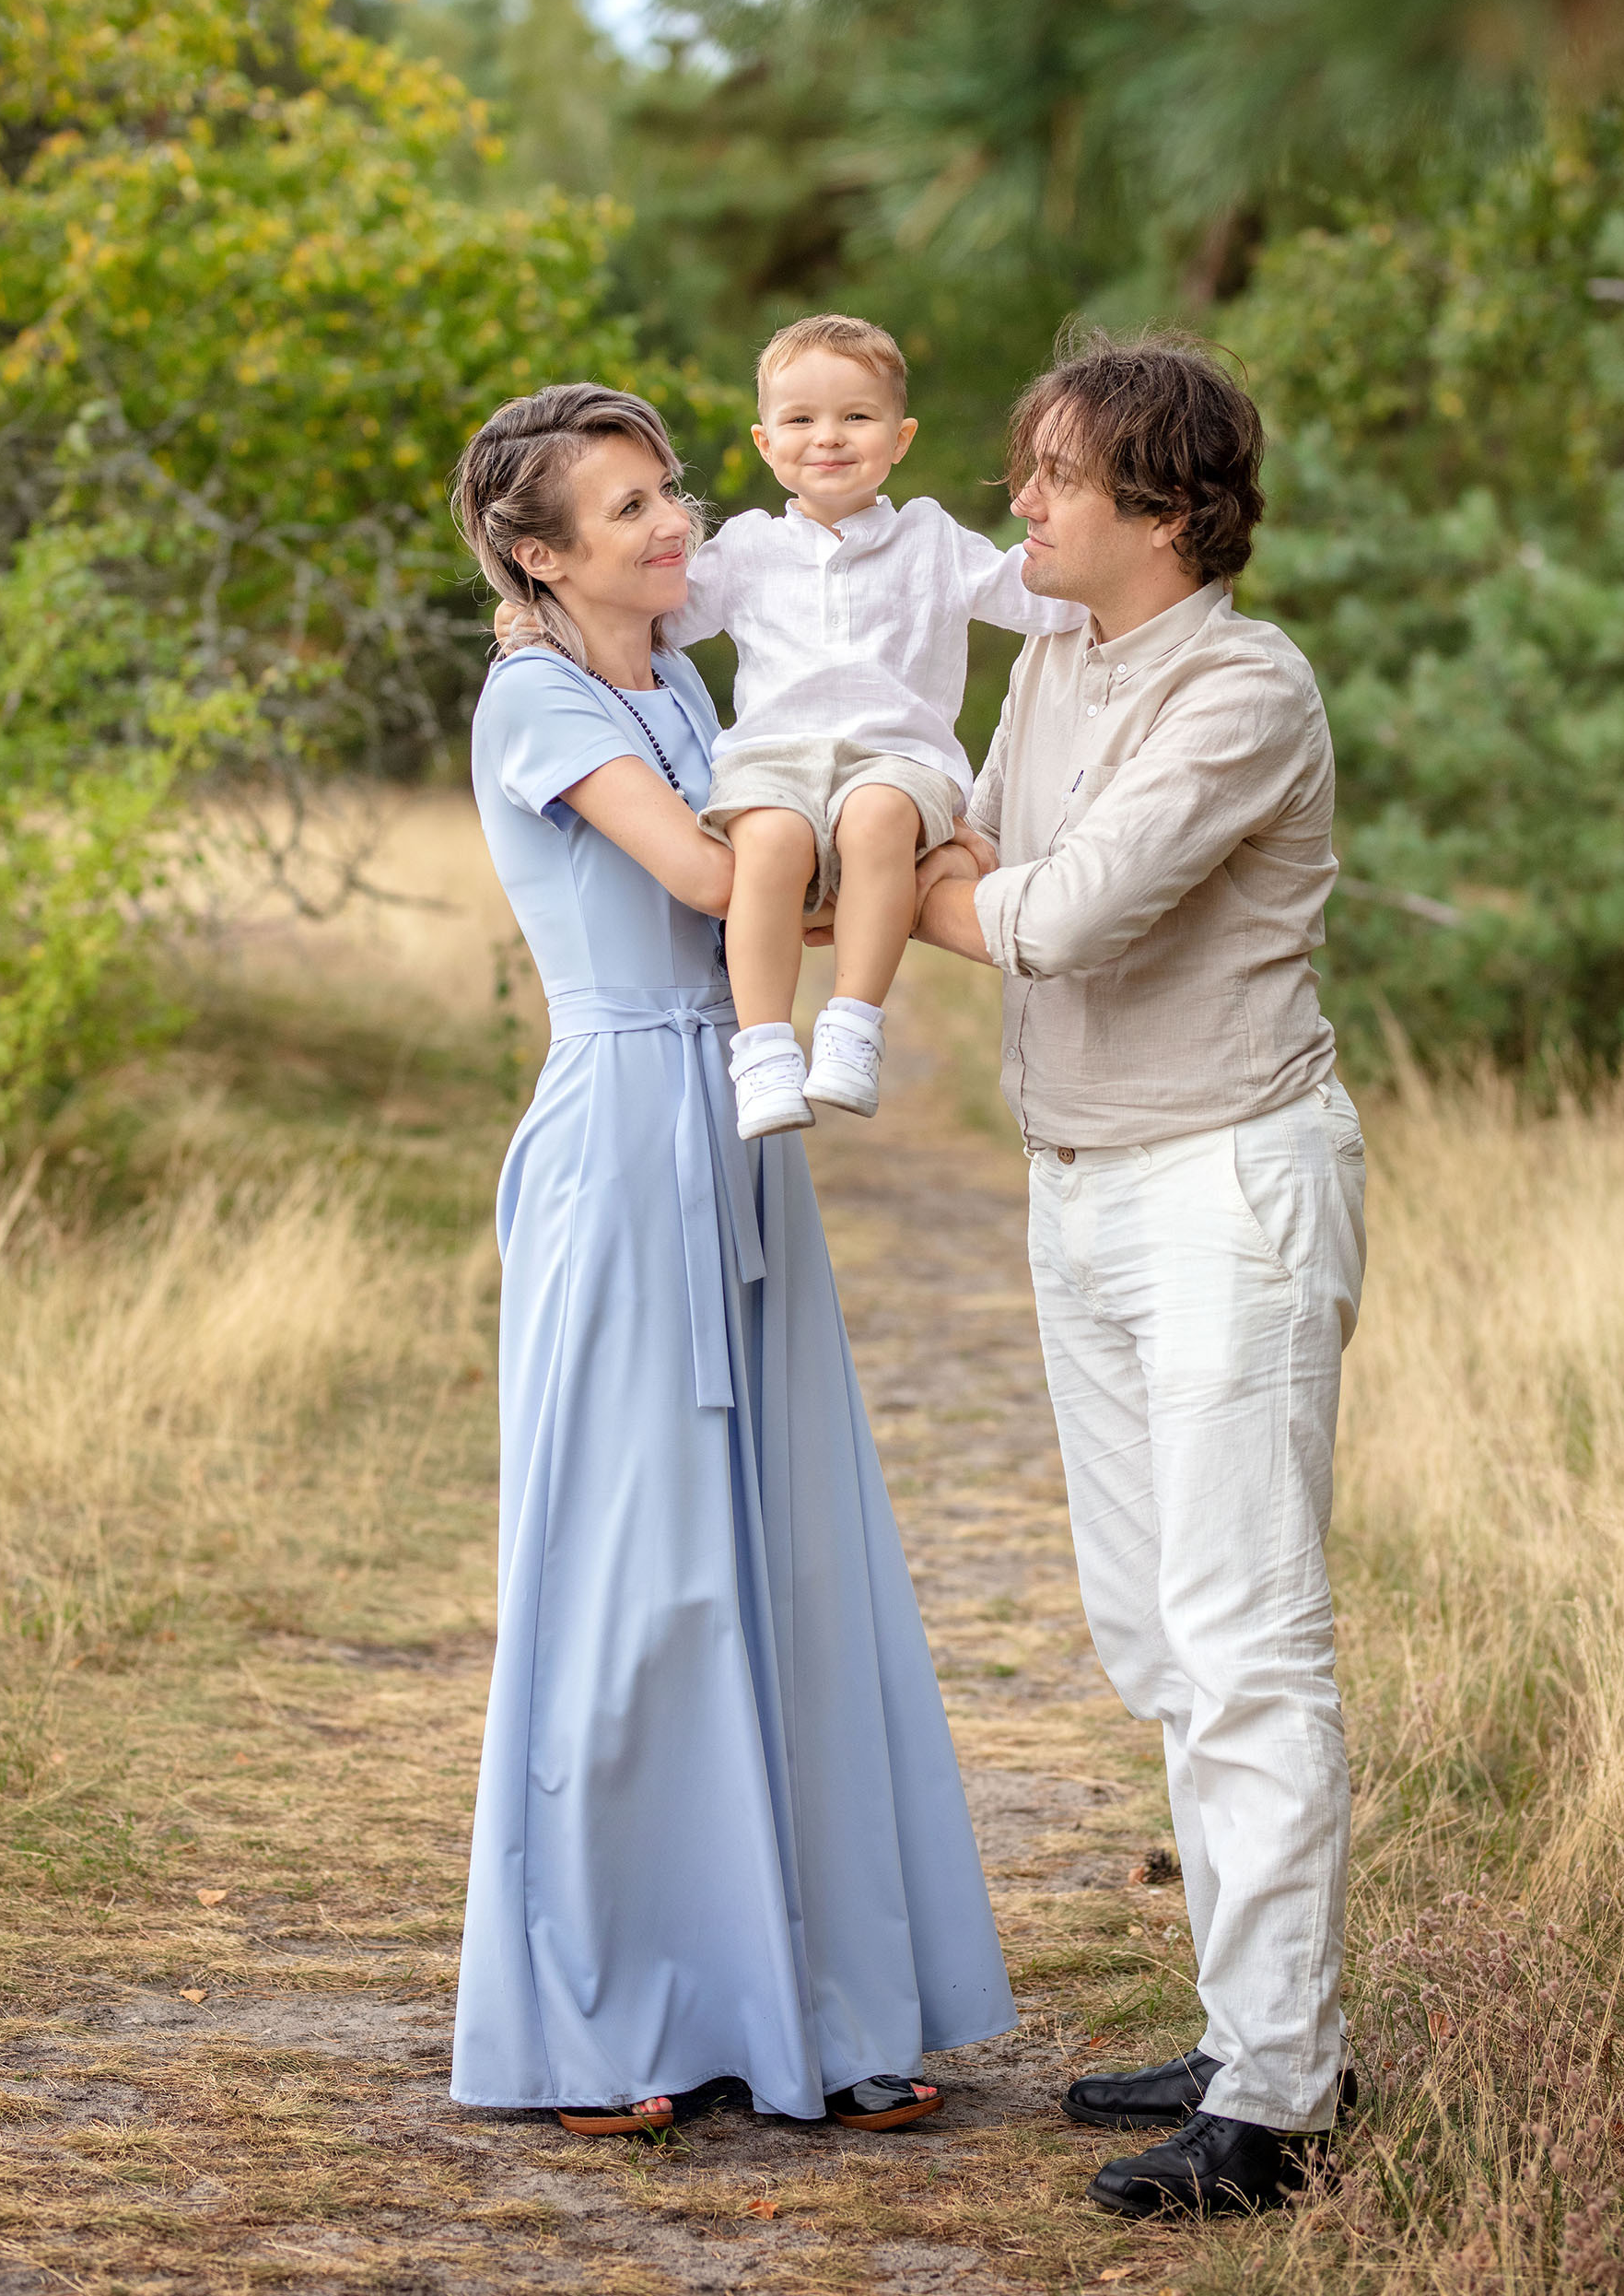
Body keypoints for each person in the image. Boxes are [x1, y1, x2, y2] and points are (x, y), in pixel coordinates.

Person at [448, 380, 1016, 2138]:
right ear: (538, 558)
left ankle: (816, 2004)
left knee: (788, 1555)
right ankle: (611, 2017)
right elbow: (710, 881)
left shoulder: (684, 679)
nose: (672, 524)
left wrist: (899, 836)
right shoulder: (537, 699)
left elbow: (796, 858)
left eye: (669, 492)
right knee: (636, 1570)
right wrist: (913, 861)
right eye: (623, 511)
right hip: (625, 1133)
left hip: (743, 1129)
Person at [914, 331, 1368, 2220]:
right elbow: (998, 856)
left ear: (1163, 505)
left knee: (1247, 1639)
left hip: (1227, 1188)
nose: (1017, 501)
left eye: (1050, 474)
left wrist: (952, 896)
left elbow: (1062, 914)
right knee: (1156, 1636)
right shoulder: (1056, 658)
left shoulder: (1241, 688)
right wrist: (979, 886)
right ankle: (1245, 2026)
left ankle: (1275, 2106)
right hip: (1079, 1188)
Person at [665, 312, 1083, 1142]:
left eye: (856, 417)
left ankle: (852, 1025)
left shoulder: (931, 537)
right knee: (772, 841)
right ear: (763, 442)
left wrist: (1142, 571)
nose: (828, 438)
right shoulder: (745, 548)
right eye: (800, 420)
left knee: (878, 815)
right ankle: (764, 1050)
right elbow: (652, 619)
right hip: (774, 762)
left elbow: (1035, 595)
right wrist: (542, 618)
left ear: (900, 437)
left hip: (899, 758)